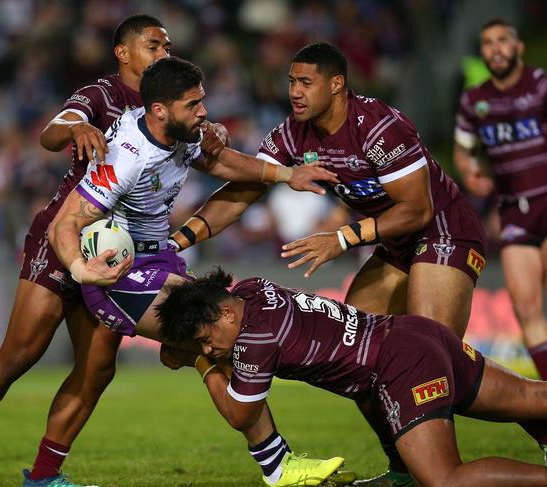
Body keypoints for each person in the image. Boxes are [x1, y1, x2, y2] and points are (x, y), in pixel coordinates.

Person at [168, 41, 487, 486]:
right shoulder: (293, 134)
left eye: (305, 82)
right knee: (366, 360)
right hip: (394, 246)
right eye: (290, 82)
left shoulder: (378, 127)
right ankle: (404, 471)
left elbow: (416, 209)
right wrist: (178, 239)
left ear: (337, 84)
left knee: (427, 362)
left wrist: (343, 238)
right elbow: (243, 192)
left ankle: (517, 422)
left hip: (443, 232)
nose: (294, 92)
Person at [48, 56, 351, 487]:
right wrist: (81, 269)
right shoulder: (126, 158)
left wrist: (287, 174)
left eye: (201, 102)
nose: (204, 113)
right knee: (216, 332)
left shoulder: (178, 131)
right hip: (117, 276)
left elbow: (224, 163)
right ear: (159, 111)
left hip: (159, 260)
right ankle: (279, 467)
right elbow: (66, 223)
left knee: (111, 368)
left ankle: (42, 475)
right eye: (194, 105)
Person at [0, 15, 173, 487]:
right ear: (123, 53)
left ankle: (43, 475)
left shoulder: (166, 105)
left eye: (166, 47)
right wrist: (74, 130)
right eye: (153, 45)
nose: (163, 53)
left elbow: (201, 144)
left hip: (121, 251)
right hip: (66, 235)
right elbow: (53, 129)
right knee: (21, 352)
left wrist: (217, 135)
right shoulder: (103, 95)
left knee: (97, 369)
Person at [157, 268, 547, 487]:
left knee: (443, 478)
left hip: (401, 365)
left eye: (206, 340)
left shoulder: (255, 340)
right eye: (202, 346)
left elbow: (240, 415)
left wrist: (200, 364)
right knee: (533, 398)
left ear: (226, 315)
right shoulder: (251, 289)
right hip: (416, 333)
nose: (209, 349)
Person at [453, 18, 547, 380]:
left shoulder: (540, 86)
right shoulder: (474, 101)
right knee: (527, 310)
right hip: (513, 212)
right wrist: (469, 171)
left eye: (503, 40)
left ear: (518, 47)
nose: (495, 48)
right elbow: (464, 151)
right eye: (488, 42)